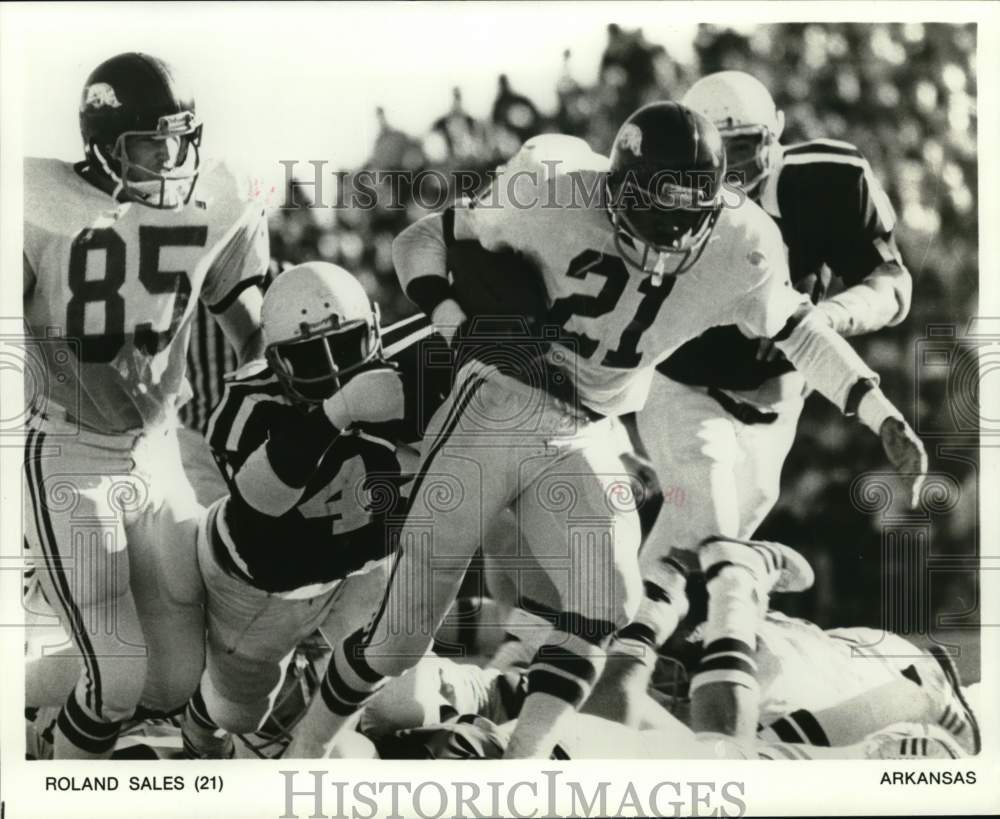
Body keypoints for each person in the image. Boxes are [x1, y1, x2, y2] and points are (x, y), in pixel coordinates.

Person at [287, 101, 925, 760]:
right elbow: (418, 239)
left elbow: (801, 332)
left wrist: (880, 411)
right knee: (401, 635)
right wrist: (458, 327)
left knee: (609, 605)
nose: (666, 238)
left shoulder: (743, 242)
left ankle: (522, 769)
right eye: (656, 209)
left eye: (687, 215)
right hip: (500, 401)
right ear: (618, 186)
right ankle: (302, 752)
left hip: (588, 423)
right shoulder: (554, 191)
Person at [586, 71, 918, 739]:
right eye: (719, 152)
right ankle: (706, 704)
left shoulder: (830, 179)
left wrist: (837, 318)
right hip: (681, 385)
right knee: (712, 525)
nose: (730, 171)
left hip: (779, 393)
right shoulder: (669, 182)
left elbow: (892, 279)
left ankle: (628, 677)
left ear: (777, 139)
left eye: (745, 150)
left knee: (685, 547)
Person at [22, 52, 268, 758]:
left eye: (179, 137)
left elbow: (250, 326)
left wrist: (273, 370)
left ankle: (34, 706)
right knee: (120, 676)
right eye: (148, 141)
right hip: (68, 448)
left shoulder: (213, 202)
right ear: (101, 142)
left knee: (175, 676)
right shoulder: (34, 203)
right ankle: (52, 784)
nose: (169, 156)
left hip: (158, 447)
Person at [179, 262, 450, 758]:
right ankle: (203, 708)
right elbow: (265, 503)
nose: (333, 370)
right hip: (263, 584)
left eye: (346, 346)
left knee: (405, 711)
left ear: (373, 327)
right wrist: (338, 412)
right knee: (237, 715)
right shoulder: (247, 408)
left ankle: (469, 688)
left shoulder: (415, 357)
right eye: (307, 358)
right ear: (277, 362)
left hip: (364, 561)